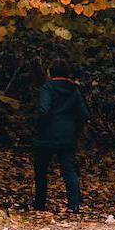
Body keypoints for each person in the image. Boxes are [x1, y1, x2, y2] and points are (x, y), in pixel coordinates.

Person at [32, 59, 87, 212]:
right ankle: (74, 204)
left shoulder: (47, 88)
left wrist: (39, 126)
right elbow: (84, 114)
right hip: (67, 134)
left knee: (41, 169)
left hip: (46, 134)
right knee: (69, 169)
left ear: (50, 72)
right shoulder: (74, 90)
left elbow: (43, 109)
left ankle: (40, 203)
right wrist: (75, 129)